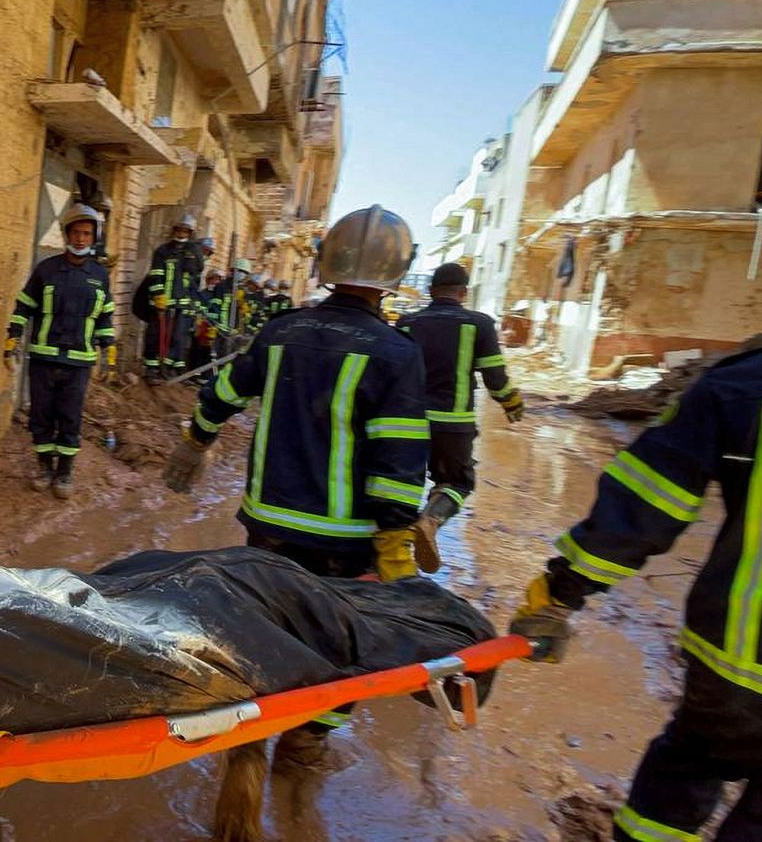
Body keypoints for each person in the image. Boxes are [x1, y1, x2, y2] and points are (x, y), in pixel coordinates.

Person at [162, 205, 431, 777]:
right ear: (396, 274)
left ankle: (247, 728)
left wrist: (195, 441)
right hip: (347, 543)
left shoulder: (282, 331)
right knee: (344, 648)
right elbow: (398, 460)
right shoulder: (396, 353)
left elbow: (223, 392)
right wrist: (395, 546)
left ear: (328, 262)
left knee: (263, 634)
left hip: (267, 530)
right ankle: (306, 743)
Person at [510, 343, 762, 841]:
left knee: (682, 779)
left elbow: (646, 504)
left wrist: (561, 594)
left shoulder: (744, 383)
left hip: (742, 662)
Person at [396, 262, 523, 546]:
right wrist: (511, 403)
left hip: (406, 421)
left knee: (400, 483)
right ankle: (430, 519)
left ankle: (394, 542)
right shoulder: (478, 324)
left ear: (430, 291)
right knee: (457, 483)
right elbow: (495, 376)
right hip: (453, 426)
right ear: (464, 293)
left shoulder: (407, 323)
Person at [5, 203, 116, 497]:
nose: (81, 239)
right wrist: (12, 339)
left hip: (79, 363)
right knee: (41, 415)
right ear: (67, 235)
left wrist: (109, 353)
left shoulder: (100, 276)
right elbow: (23, 308)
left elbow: (105, 317)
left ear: (94, 239)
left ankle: (64, 473)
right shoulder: (46, 270)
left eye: (87, 234)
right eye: (76, 233)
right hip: (43, 359)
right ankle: (44, 467)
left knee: (70, 417)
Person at [141, 214, 205, 381]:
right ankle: (151, 369)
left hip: (181, 304)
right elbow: (155, 275)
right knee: (155, 335)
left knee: (176, 338)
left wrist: (195, 249)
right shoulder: (162, 251)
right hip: (161, 303)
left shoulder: (191, 251)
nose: (181, 233)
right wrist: (158, 296)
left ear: (190, 233)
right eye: (179, 230)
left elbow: (198, 270)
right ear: (174, 230)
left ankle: (166, 368)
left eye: (186, 231)